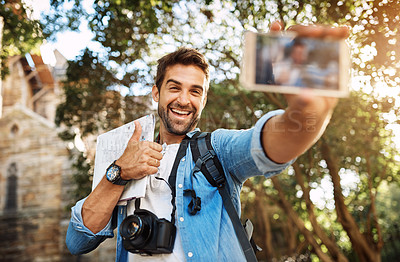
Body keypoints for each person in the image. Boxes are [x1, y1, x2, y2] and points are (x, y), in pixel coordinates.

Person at [65, 22, 349, 261]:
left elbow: (272, 145)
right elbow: (78, 242)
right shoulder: (124, 155)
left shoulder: (216, 149)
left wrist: (307, 114)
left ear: (204, 100)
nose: (183, 100)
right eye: (174, 87)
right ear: (156, 93)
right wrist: (118, 174)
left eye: (195, 91)